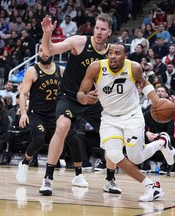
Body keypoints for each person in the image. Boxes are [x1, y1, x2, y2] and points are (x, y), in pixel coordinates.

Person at [77, 42, 175, 201]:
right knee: (113, 153)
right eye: (110, 53)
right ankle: (151, 186)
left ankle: (162, 142)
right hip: (109, 118)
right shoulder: (96, 68)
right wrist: (84, 98)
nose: (113, 56)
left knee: (136, 158)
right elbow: (80, 93)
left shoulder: (134, 67)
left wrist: (157, 101)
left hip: (132, 116)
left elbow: (144, 84)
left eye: (117, 53)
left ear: (125, 56)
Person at [40, 13, 121, 196]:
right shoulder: (79, 42)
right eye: (97, 28)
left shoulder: (112, 55)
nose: (99, 32)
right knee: (62, 126)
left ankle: (110, 180)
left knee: (113, 135)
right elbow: (48, 50)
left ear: (109, 32)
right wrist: (47, 34)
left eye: (103, 29)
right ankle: (48, 178)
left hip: (95, 100)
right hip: (69, 96)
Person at [15, 44, 64, 184]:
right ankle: (24, 163)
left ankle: (76, 173)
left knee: (69, 140)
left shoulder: (61, 70)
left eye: (46, 50)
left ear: (53, 51)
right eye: (40, 50)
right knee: (38, 140)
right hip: (37, 114)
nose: (43, 53)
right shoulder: (32, 70)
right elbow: (23, 94)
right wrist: (24, 113)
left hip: (55, 115)